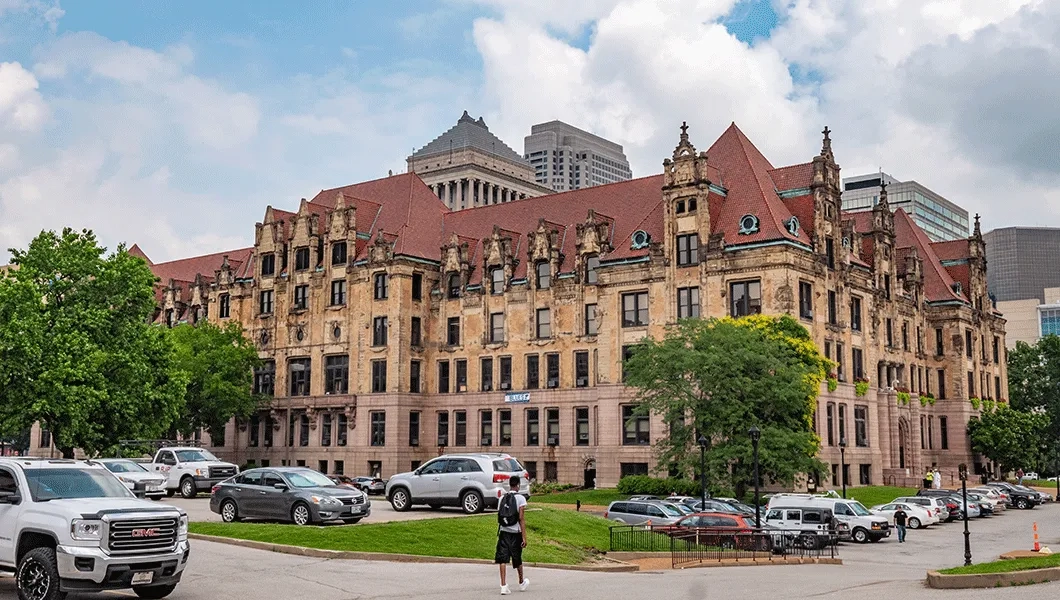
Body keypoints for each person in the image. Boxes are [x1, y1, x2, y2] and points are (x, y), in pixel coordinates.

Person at [496, 476, 529, 595]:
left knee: (502, 558)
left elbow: (500, 514)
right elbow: (521, 518)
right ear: (518, 485)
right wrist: (524, 536)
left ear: (510, 485)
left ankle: (503, 585)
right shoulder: (521, 498)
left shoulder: (502, 498)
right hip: (515, 532)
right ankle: (521, 581)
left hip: (504, 532)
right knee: (517, 558)